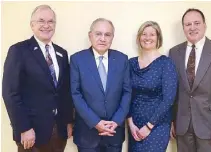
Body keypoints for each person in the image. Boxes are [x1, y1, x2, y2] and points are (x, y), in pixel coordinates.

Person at [2, 5, 73, 152]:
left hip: (59, 133)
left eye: (51, 21)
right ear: (32, 25)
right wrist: (24, 128)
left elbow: (65, 92)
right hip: (31, 133)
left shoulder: (62, 53)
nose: (46, 25)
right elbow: (10, 93)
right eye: (41, 21)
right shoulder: (19, 51)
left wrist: (68, 122)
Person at [169, 8, 211, 152]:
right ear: (183, 28)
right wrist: (171, 121)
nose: (192, 27)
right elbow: (172, 92)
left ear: (205, 25)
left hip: (210, 127)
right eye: (188, 24)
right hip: (182, 127)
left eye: (197, 23)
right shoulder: (174, 52)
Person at [70, 18, 132, 152]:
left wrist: (116, 121)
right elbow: (76, 94)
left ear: (112, 37)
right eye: (98, 34)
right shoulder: (77, 60)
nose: (102, 38)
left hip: (114, 132)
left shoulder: (122, 59)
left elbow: (127, 92)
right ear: (90, 36)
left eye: (107, 34)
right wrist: (96, 123)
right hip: (87, 134)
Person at [128, 21, 178, 152]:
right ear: (139, 38)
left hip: (157, 125)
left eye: (152, 34)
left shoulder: (166, 64)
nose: (147, 37)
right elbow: (125, 94)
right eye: (144, 34)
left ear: (158, 38)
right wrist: (130, 123)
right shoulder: (130, 63)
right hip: (134, 125)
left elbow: (169, 99)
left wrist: (149, 126)